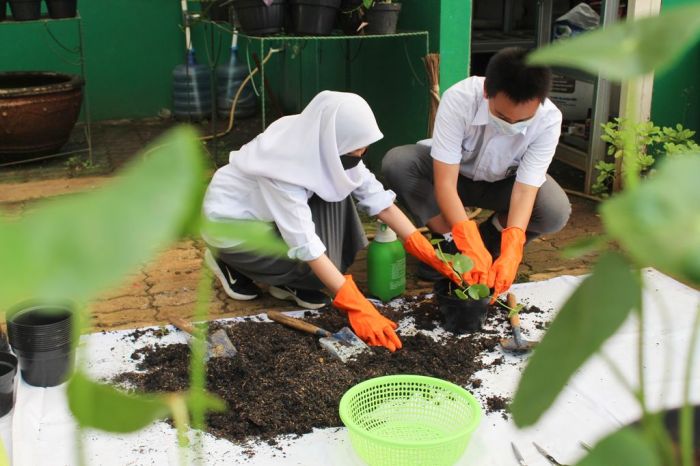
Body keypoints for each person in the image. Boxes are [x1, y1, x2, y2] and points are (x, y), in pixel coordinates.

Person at [202, 91, 459, 352]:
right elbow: (305, 244)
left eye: (364, 148)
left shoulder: (322, 141)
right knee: (321, 268)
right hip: (235, 229)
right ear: (335, 140)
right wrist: (357, 305)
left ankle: (291, 280)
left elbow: (379, 201)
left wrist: (428, 251)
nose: (360, 154)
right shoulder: (282, 166)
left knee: (337, 201)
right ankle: (226, 260)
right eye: (355, 148)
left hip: (271, 218)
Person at [382, 47, 571, 302]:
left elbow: (526, 189)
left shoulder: (549, 119)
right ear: (486, 92)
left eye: (522, 120)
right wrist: (463, 239)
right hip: (454, 179)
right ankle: (448, 243)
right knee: (398, 163)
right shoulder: (461, 98)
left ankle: (490, 242)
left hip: (503, 186)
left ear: (540, 102)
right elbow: (445, 183)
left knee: (555, 210)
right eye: (502, 116)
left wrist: (512, 246)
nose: (512, 125)